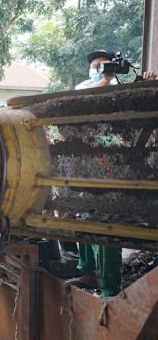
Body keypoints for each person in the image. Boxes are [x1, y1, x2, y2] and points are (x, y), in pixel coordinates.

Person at [68, 50, 156, 297]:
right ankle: (88, 272)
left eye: (104, 65)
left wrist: (145, 85)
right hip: (89, 168)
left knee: (107, 229)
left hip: (118, 171)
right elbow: (85, 104)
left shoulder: (124, 91)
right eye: (95, 65)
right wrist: (105, 79)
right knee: (83, 215)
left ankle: (109, 290)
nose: (99, 69)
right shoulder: (85, 87)